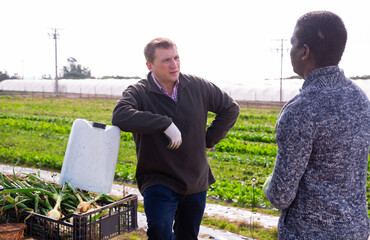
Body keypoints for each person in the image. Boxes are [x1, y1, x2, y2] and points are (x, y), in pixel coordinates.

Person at [111, 37, 240, 239]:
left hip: (195, 180)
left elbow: (230, 108)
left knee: (188, 235)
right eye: (166, 60)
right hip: (158, 179)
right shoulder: (139, 91)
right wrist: (164, 123)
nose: (174, 64)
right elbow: (120, 115)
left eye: (176, 58)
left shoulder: (198, 86)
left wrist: (208, 140)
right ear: (150, 65)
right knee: (160, 233)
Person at [265, 11, 370, 239]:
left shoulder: (301, 109)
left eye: (292, 43)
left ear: (305, 52)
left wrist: (267, 185)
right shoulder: (360, 98)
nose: (289, 50)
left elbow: (280, 195)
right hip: (356, 230)